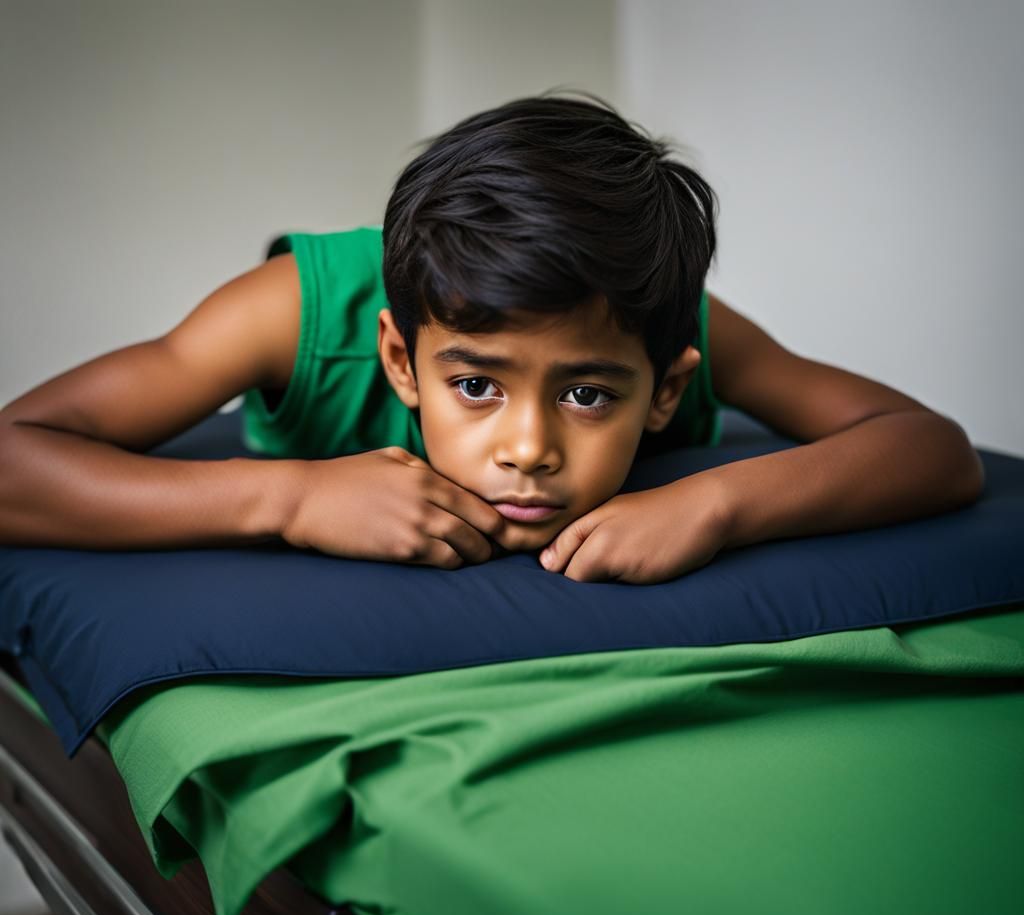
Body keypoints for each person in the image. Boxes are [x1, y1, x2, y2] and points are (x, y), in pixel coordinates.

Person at [0, 91, 984, 584]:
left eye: (588, 395)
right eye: (476, 385)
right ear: (399, 359)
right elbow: (14, 458)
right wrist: (288, 498)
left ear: (666, 388)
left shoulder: (665, 320)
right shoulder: (289, 312)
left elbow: (932, 447)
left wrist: (719, 504)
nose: (527, 447)